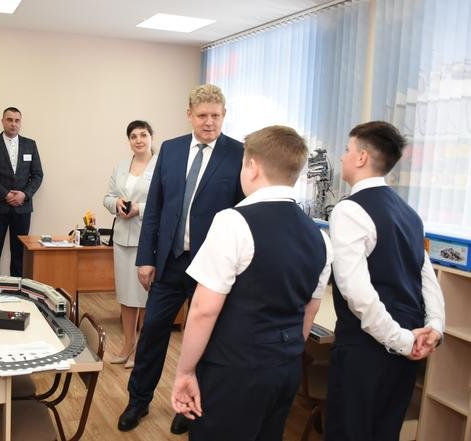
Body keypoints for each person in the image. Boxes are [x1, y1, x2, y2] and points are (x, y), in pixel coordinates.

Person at [170, 126, 333, 440]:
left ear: (253, 167)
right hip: (286, 369)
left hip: (234, 371)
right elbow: (308, 312)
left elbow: (203, 309)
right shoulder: (321, 238)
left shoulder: (233, 222)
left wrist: (185, 371)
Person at [117, 84, 245, 434]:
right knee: (152, 334)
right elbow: (155, 208)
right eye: (202, 115)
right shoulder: (171, 150)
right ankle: (138, 401)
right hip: (170, 263)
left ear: (224, 115)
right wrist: (146, 258)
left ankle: (188, 408)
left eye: (215, 115)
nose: (209, 122)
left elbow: (242, 214)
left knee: (203, 340)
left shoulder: (238, 154)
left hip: (213, 269)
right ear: (189, 115)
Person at [324, 121, 445, 441]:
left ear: (361, 157)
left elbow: (356, 292)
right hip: (405, 351)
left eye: (347, 150)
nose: (342, 157)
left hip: (367, 352)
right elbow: (426, 277)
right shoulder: (409, 213)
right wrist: (434, 328)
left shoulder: (349, 210)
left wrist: (402, 341)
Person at [103, 120, 158, 369]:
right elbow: (108, 197)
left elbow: (165, 202)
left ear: (151, 137)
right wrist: (116, 204)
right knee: (126, 296)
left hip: (147, 239)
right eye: (134, 136)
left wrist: (139, 209)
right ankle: (128, 345)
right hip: (122, 238)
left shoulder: (161, 165)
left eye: (143, 135)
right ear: (129, 141)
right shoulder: (121, 166)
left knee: (145, 297)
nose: (139, 140)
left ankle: (142, 351)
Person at [0, 107, 43, 277]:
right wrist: (5, 194)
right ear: (2, 121)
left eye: (17, 120)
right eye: (9, 120)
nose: (13, 124)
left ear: (20, 122)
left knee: (19, 253)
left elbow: (37, 175)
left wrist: (25, 195)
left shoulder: (30, 144)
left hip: (22, 208)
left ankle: (17, 288)